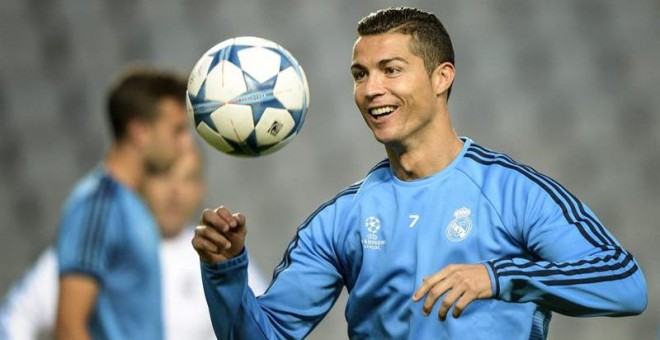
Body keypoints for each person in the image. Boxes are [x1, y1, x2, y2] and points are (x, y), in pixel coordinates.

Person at [192, 7, 648, 339]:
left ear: (441, 77)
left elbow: (626, 285)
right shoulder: (341, 219)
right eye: (360, 74)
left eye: (391, 70)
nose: (372, 90)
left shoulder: (513, 194)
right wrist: (225, 270)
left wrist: (495, 277)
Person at [0, 142, 268, 340]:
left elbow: (260, 331)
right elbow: (16, 319)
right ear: (142, 181)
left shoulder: (221, 259)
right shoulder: (92, 247)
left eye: (188, 178)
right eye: (164, 176)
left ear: (201, 188)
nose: (175, 191)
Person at [54, 66, 190, 340]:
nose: (184, 144)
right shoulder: (97, 205)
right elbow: (69, 329)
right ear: (140, 131)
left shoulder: (134, 205)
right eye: (177, 131)